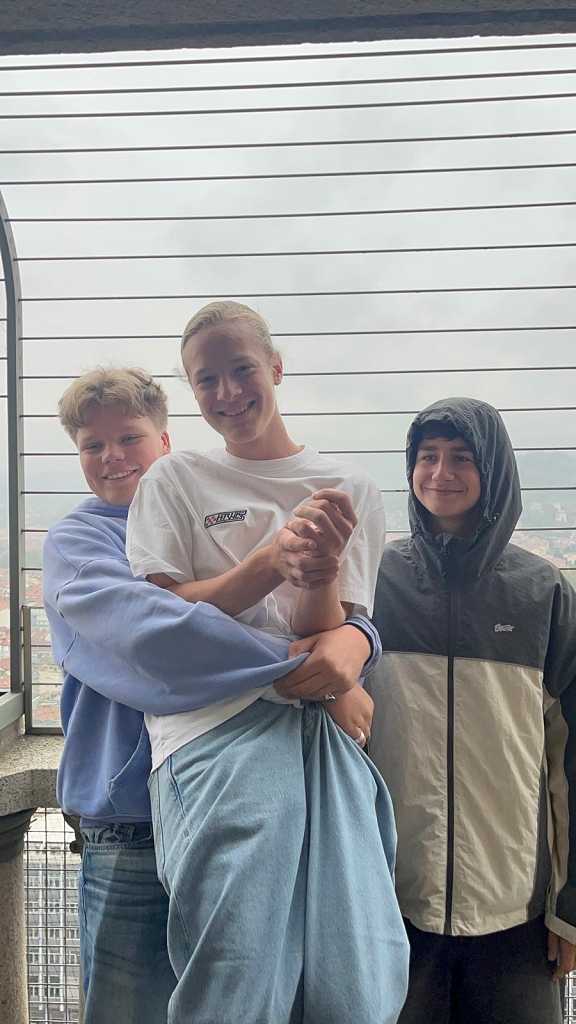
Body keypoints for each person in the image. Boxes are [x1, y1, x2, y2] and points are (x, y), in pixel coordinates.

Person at [43, 367, 388, 1024]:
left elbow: (295, 609)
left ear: (165, 442)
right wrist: (321, 671)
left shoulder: (199, 513)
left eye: (129, 438)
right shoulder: (79, 544)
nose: (113, 456)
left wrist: (356, 638)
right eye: (93, 445)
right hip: (128, 820)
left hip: (228, 795)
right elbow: (159, 637)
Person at [126, 301, 409, 1024]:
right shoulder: (176, 479)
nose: (226, 392)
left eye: (241, 369)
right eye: (206, 379)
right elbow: (161, 624)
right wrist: (271, 562)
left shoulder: (350, 487)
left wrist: (319, 579)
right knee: (237, 971)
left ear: (276, 368)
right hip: (215, 730)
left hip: (317, 731)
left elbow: (329, 641)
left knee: (354, 975)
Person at [368, 396, 576, 1024]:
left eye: (461, 457)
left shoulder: (543, 593)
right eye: (427, 456)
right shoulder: (374, 582)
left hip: (515, 910)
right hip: (392, 903)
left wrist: (569, 909)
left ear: (494, 469)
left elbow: (570, 761)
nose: (441, 473)